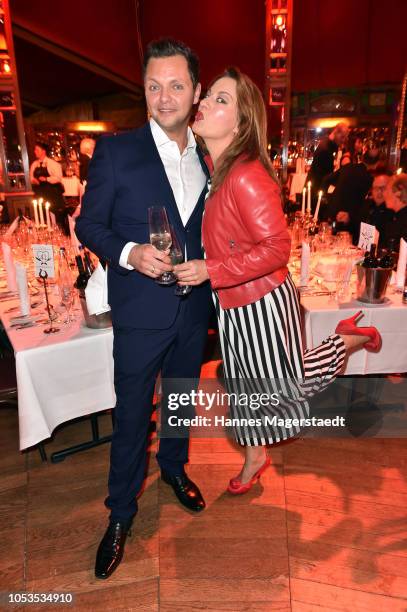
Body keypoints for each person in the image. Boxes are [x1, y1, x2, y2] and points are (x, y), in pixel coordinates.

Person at [174, 67, 381, 495]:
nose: (205, 103)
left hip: (261, 301)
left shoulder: (246, 175)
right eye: (209, 95)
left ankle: (348, 338)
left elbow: (276, 249)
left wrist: (211, 269)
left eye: (220, 100)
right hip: (231, 303)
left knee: (290, 384)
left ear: (242, 121)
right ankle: (255, 457)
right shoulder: (217, 169)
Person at [75, 38, 212, 579]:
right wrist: (130, 253)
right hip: (139, 310)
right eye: (154, 86)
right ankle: (120, 514)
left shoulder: (210, 152)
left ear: (196, 91)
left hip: (194, 308)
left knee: (181, 397)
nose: (164, 96)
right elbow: (89, 224)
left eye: (176, 85)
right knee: (132, 415)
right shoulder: (116, 150)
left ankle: (174, 468)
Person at [323, 157, 373, 243]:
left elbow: (326, 180)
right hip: (349, 219)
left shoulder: (347, 167)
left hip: (334, 211)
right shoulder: (368, 177)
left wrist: (329, 198)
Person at [307, 122, 349, 196]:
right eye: (342, 137)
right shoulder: (326, 149)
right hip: (315, 192)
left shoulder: (329, 146)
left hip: (315, 190)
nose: (344, 140)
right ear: (336, 132)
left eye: (345, 137)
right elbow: (324, 177)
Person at [29, 142, 65, 225]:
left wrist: (46, 179)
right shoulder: (34, 164)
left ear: (43, 151)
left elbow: (58, 178)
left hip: (52, 194)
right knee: (42, 216)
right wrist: (34, 180)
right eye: (35, 150)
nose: (35, 152)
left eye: (37, 150)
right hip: (39, 194)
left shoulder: (53, 164)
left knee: (56, 216)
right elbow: (31, 178)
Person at [362, 173, 393, 245]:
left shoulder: (393, 211)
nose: (379, 192)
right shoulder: (366, 205)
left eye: (383, 188)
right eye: (376, 188)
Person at [381, 173, 407, 247]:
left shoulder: (404, 223)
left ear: (398, 193)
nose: (383, 194)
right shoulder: (394, 216)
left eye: (386, 190)